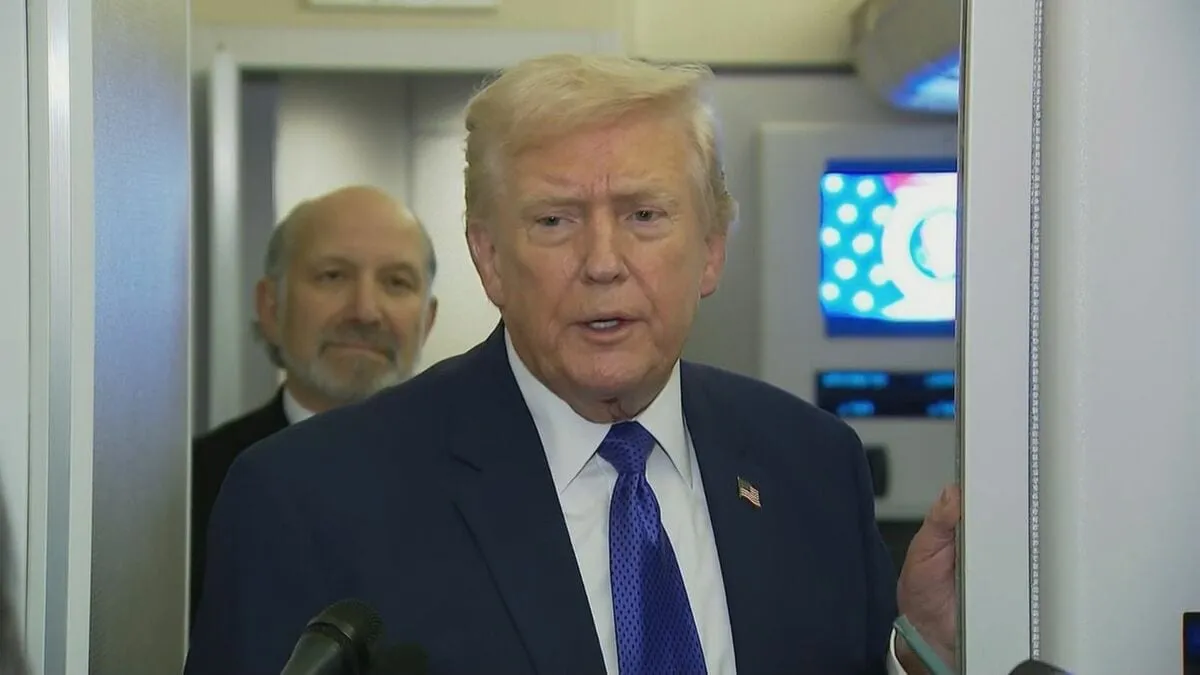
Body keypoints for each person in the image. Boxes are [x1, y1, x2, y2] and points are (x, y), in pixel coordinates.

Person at [185, 54, 958, 674]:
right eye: (555, 221)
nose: (603, 262)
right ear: (490, 258)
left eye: (644, 215)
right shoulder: (309, 498)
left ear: (711, 249)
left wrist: (920, 651)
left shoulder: (813, 467)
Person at [189, 186, 438, 622]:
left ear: (427, 321)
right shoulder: (194, 488)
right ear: (271, 308)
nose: (365, 311)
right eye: (333, 276)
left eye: (396, 282)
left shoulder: (481, 488)